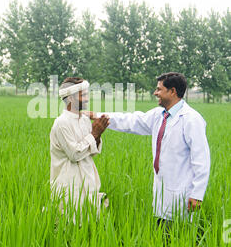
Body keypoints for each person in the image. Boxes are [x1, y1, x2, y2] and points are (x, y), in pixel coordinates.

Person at [93, 72, 211, 222]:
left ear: (172, 91)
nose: (155, 93)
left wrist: (197, 194)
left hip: (183, 192)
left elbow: (201, 160)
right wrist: (98, 115)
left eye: (159, 89)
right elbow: (131, 120)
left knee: (179, 236)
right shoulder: (159, 115)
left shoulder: (191, 119)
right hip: (163, 190)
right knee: (161, 231)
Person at [50, 77, 109, 220]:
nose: (87, 98)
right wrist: (94, 133)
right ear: (70, 98)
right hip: (69, 183)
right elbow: (74, 154)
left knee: (90, 221)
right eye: (83, 95)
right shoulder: (61, 123)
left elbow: (92, 151)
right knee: (70, 221)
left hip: (88, 178)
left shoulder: (83, 119)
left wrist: (97, 134)